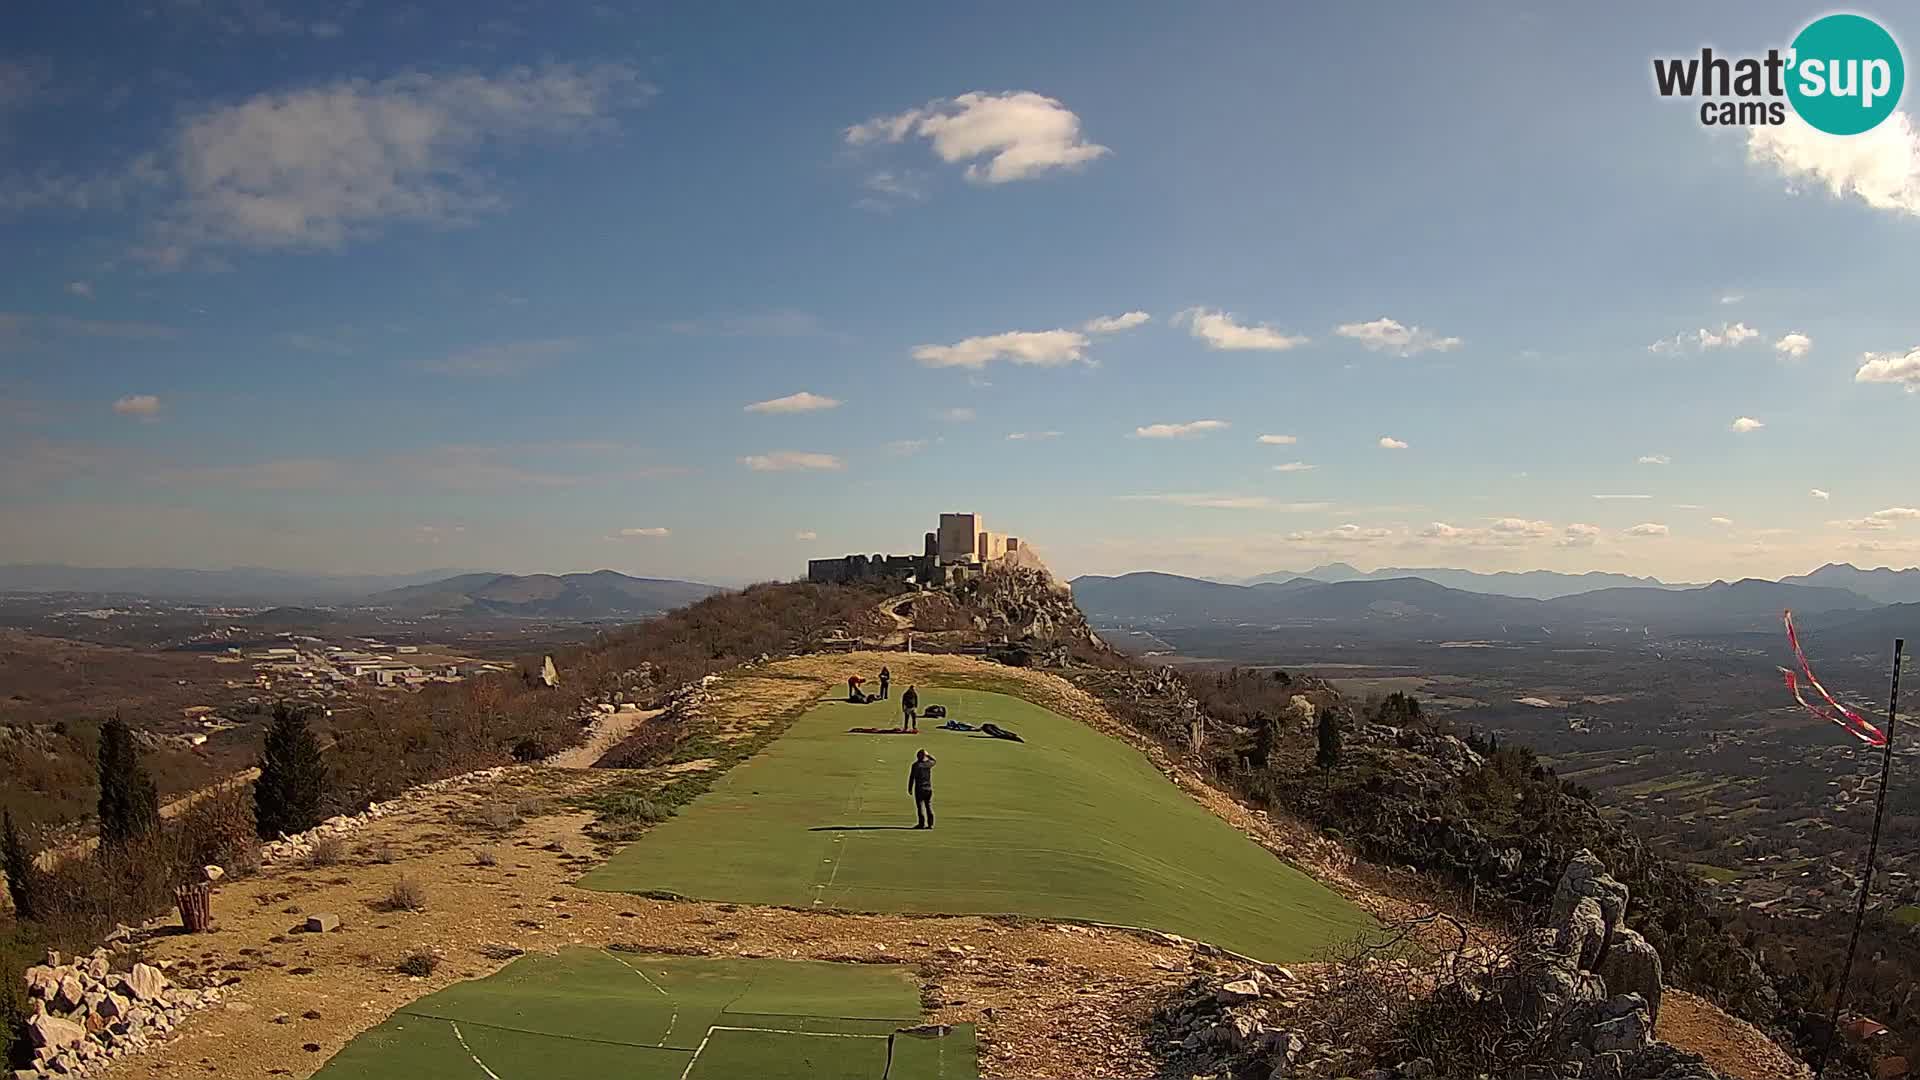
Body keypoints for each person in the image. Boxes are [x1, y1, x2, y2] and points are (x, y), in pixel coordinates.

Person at [908, 749, 936, 829]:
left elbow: (912, 777)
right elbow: (934, 760)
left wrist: (909, 788)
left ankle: (921, 824)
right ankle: (930, 824)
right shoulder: (928, 764)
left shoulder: (915, 765)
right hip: (928, 788)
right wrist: (928, 755)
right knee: (928, 806)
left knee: (920, 807)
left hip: (919, 789)